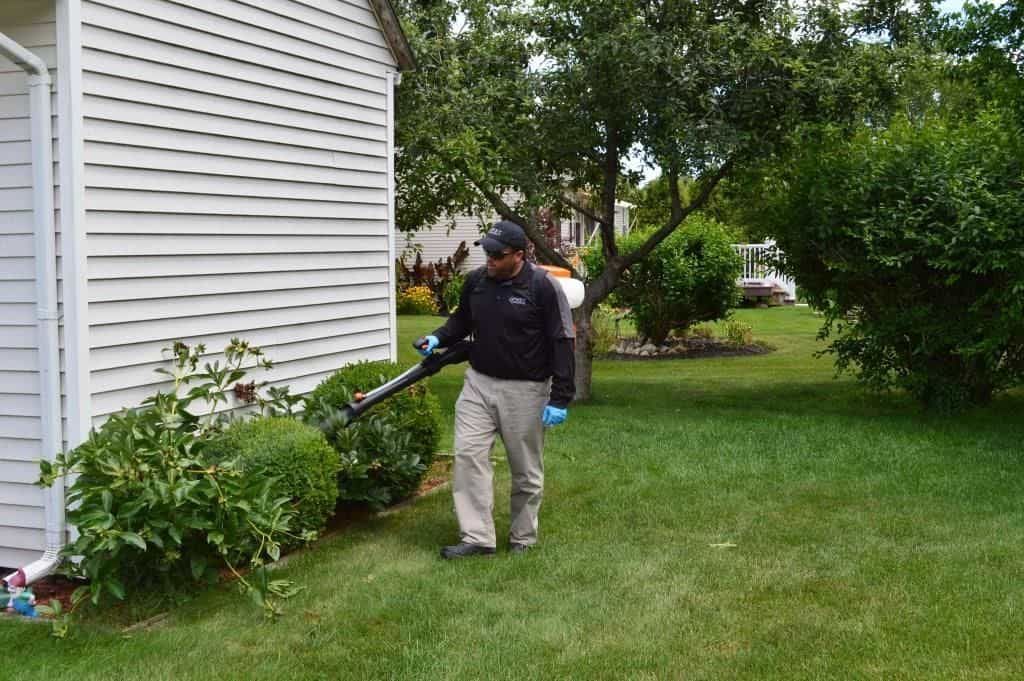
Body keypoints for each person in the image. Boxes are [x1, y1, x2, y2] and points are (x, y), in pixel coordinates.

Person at [415, 220, 575, 559]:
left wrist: (560, 397)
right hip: (479, 383)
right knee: (468, 455)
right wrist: (438, 337)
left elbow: (562, 340)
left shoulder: (543, 287)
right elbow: (461, 323)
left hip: (526, 390)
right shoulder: (477, 283)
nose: (489, 259)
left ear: (519, 255)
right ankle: (477, 537)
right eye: (486, 251)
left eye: (496, 255)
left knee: (525, 468)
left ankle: (523, 536)